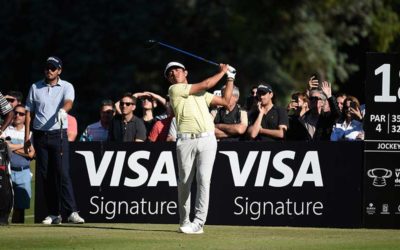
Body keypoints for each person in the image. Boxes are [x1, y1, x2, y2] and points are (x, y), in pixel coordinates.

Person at [166, 61, 235, 234]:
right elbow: (206, 83)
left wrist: (230, 78)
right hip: (185, 141)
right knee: (184, 183)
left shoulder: (201, 93)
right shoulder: (174, 90)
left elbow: (226, 101)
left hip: (207, 139)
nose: (174, 74)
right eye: (170, 73)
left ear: (186, 72)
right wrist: (223, 71)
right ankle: (184, 220)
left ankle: (199, 223)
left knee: (204, 179)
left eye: (177, 70)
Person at [25, 56, 84, 224]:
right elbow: (29, 113)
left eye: (53, 68)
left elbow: (69, 102)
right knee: (45, 175)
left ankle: (72, 212)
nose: (49, 71)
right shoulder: (35, 87)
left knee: (62, 173)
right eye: (47, 68)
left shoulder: (66, 86)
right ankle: (54, 213)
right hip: (40, 136)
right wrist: (26, 139)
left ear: (59, 70)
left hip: (58, 135)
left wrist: (63, 111)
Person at [2, 104, 35, 223]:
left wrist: (10, 146)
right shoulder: (5, 129)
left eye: (21, 114)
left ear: (26, 116)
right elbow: (3, 146)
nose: (17, 116)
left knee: (20, 207)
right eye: (16, 113)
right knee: (4, 204)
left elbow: (31, 154)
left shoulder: (30, 133)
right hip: (7, 171)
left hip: (23, 171)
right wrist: (22, 145)